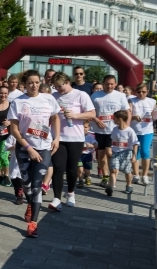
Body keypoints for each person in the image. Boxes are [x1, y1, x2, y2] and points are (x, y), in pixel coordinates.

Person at [8, 70, 61, 238]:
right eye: (30, 82)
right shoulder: (18, 102)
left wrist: (57, 138)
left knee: (37, 186)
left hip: (44, 147)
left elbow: (56, 118)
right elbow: (14, 128)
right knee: (27, 183)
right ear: (25, 84)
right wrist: (28, 147)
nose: (34, 85)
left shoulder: (49, 99)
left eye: (37, 82)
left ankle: (33, 223)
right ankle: (30, 203)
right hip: (24, 148)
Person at [51, 72, 96, 209]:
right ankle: (56, 199)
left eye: (60, 86)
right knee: (58, 167)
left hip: (75, 138)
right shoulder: (53, 96)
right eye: (56, 87)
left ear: (67, 82)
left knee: (72, 169)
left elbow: (92, 113)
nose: (58, 89)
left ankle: (70, 193)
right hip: (58, 137)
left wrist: (75, 115)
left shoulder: (81, 95)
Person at [90, 75, 131, 189]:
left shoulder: (120, 96)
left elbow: (127, 111)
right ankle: (105, 175)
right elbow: (90, 111)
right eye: (107, 84)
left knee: (110, 153)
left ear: (115, 84)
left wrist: (126, 127)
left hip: (115, 130)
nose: (109, 86)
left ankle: (113, 176)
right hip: (100, 129)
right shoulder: (95, 95)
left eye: (112, 84)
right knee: (101, 154)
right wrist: (96, 120)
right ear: (103, 83)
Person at [130, 83, 157, 187]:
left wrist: (156, 114)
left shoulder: (152, 101)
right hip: (134, 131)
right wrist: (134, 117)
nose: (141, 94)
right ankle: (136, 175)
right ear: (135, 92)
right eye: (138, 92)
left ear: (147, 92)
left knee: (145, 152)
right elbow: (128, 115)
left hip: (147, 130)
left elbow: (156, 115)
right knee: (135, 153)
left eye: (143, 92)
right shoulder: (132, 101)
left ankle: (145, 175)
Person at [109, 110, 138, 195]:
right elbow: (111, 140)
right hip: (115, 152)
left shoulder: (130, 131)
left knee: (127, 171)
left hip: (126, 152)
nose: (113, 120)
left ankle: (129, 185)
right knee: (113, 169)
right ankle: (111, 187)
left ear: (120, 119)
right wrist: (110, 149)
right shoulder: (114, 129)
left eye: (114, 118)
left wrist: (134, 155)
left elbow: (135, 143)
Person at [79, 122, 97, 187]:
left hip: (87, 155)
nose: (84, 128)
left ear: (89, 128)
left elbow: (96, 145)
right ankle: (80, 181)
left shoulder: (90, 137)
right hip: (79, 155)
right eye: (82, 127)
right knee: (80, 169)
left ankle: (88, 177)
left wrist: (91, 145)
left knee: (87, 169)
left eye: (86, 127)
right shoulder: (78, 136)